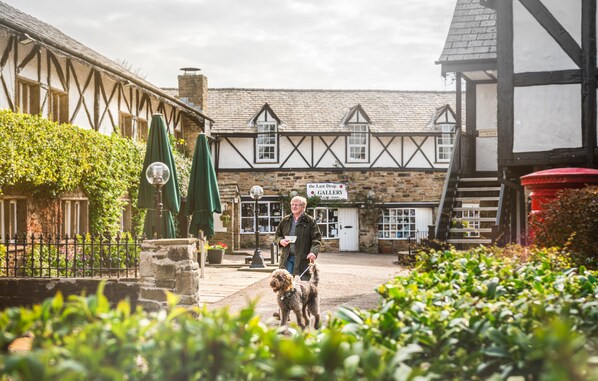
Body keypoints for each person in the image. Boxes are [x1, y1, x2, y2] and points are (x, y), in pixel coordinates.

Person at [274, 195, 322, 281]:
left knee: (304, 284)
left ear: (303, 207)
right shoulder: (285, 220)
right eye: (292, 204)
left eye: (296, 205)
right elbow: (277, 235)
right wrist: (281, 241)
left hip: (303, 258)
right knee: (285, 282)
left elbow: (316, 239)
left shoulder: (310, 221)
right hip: (287, 257)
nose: (294, 206)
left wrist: (313, 252)